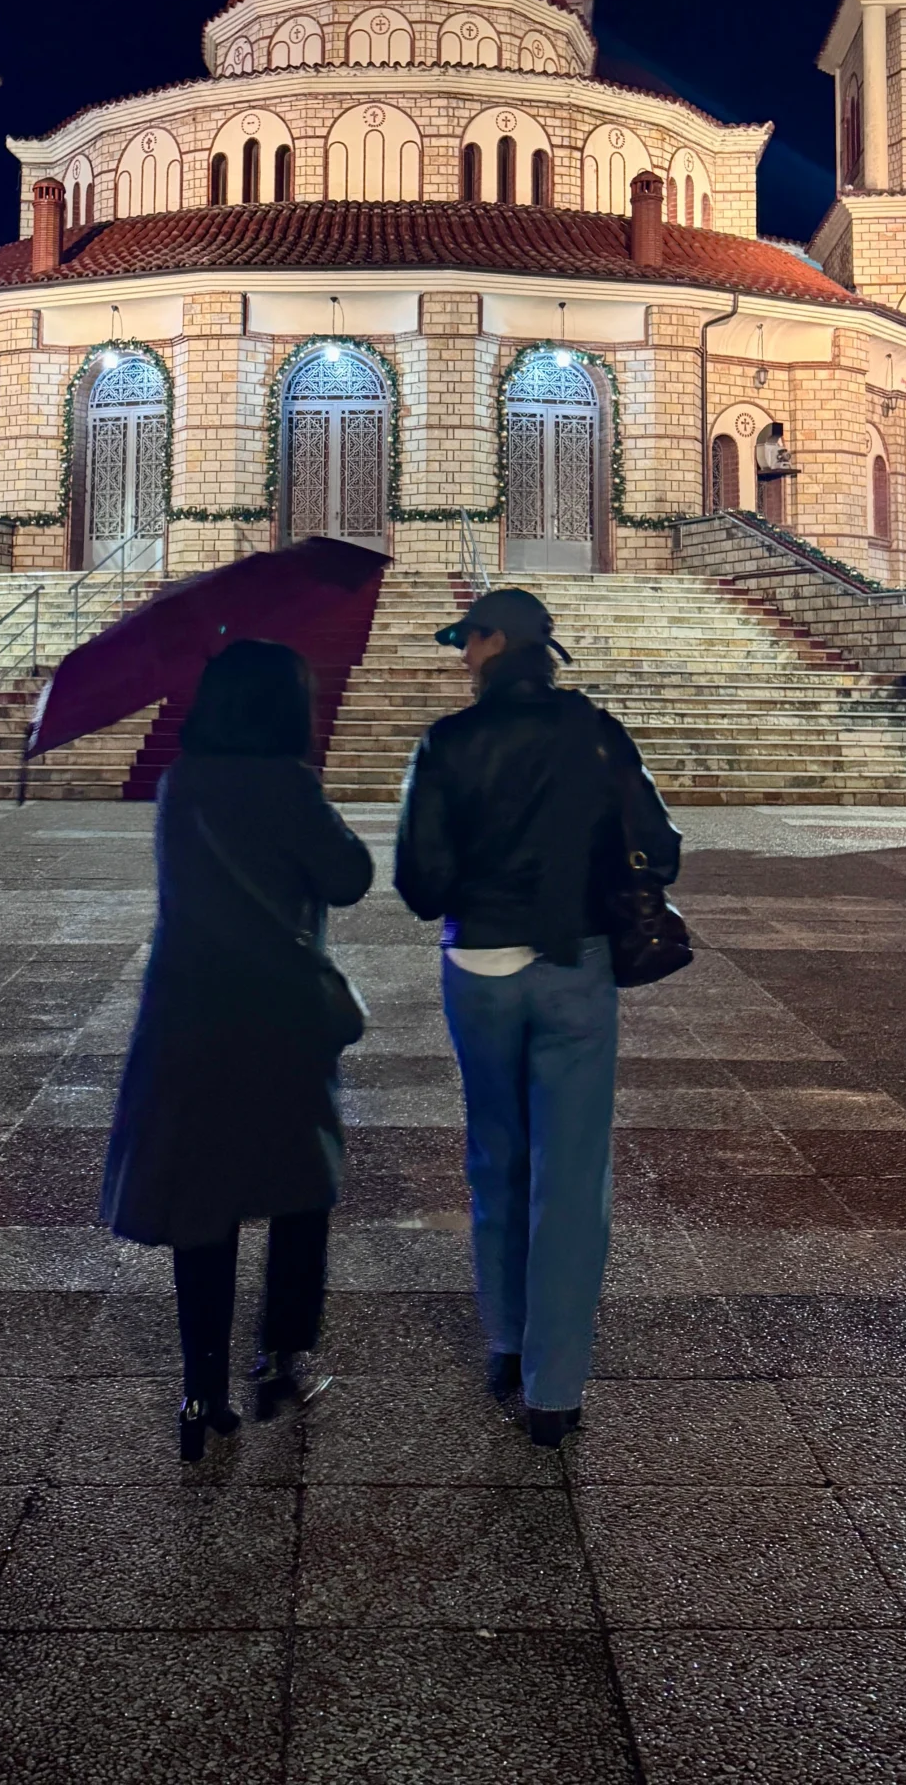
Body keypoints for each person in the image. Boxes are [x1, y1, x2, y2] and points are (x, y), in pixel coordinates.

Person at [394, 587, 679, 1446]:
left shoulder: (448, 742)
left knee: (497, 1150)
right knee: (571, 1172)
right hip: (575, 962)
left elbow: (419, 885)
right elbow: (660, 848)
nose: (462, 656)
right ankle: (553, 1390)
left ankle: (507, 1340)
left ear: (493, 643)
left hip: (479, 965)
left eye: (467, 641)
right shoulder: (595, 732)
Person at [101, 638, 374, 1459]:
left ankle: (201, 1395)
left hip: (188, 1015)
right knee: (301, 1185)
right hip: (280, 1016)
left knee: (202, 1199)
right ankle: (281, 1361)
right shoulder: (289, 784)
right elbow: (350, 877)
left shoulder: (181, 782)